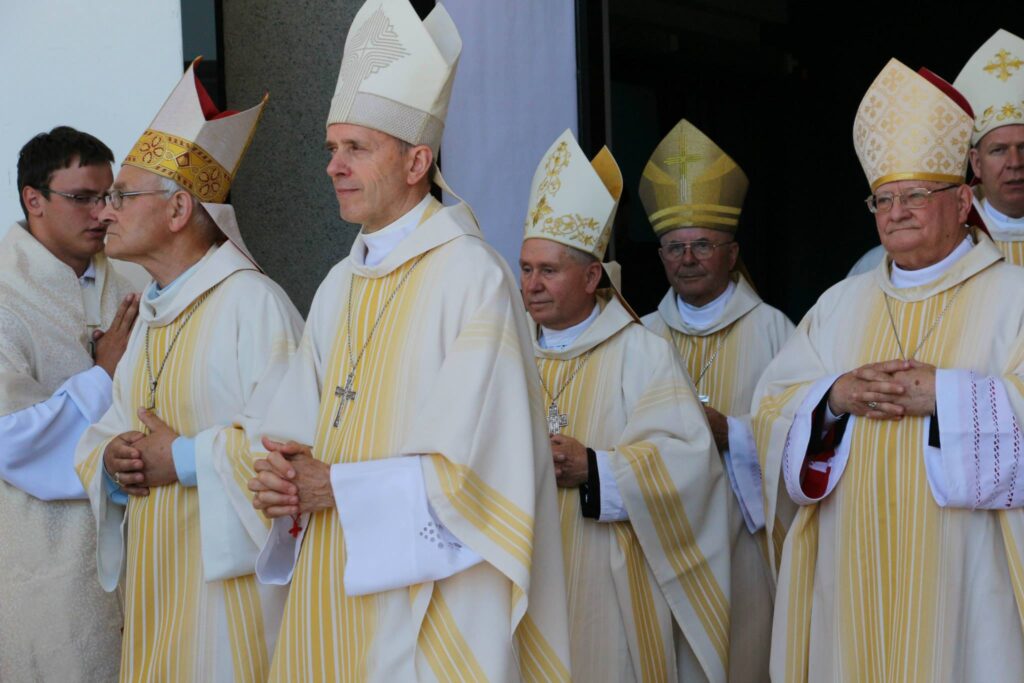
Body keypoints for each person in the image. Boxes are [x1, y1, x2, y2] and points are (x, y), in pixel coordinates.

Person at [247, 0, 571, 679]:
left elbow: (483, 476)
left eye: (357, 148)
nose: (334, 167)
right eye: (331, 149)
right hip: (328, 585)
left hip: (429, 608)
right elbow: (295, 428)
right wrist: (280, 476)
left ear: (417, 159)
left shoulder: (472, 276)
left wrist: (335, 488)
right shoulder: (338, 283)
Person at [754, 58, 1024, 682]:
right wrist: (832, 398)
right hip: (850, 571)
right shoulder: (838, 304)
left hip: (966, 581)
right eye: (884, 198)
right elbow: (771, 409)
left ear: (963, 201)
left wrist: (948, 396)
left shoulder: (1013, 297)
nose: (897, 211)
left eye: (916, 196)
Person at [74, 60, 303, 682]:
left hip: (230, 606)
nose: (106, 212)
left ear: (179, 209)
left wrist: (183, 458)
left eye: (123, 196)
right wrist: (113, 458)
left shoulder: (253, 305)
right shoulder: (150, 313)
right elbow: (111, 428)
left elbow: (293, 452)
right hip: (158, 587)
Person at [520, 129, 730, 682]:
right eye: (526, 269)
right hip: (523, 574)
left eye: (548, 271)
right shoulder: (503, 352)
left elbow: (690, 466)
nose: (532, 285)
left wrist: (594, 468)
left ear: (592, 276)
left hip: (609, 582)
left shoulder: (642, 353)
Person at [638, 118, 793, 683]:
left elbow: (803, 433)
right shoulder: (642, 337)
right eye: (675, 247)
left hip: (744, 543)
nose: (688, 258)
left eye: (702, 244)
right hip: (664, 541)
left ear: (732, 253)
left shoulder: (776, 331)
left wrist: (735, 434)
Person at [0, 126, 136, 681]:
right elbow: (11, 438)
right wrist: (102, 375)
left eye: (110, 196)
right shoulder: (5, 295)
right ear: (33, 199)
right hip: (48, 550)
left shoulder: (134, 277)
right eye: (82, 198)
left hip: (145, 548)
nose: (102, 213)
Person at [955, 28, 1024, 263]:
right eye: (999, 150)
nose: (1015, 163)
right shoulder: (952, 242)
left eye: (1023, 147)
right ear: (976, 162)